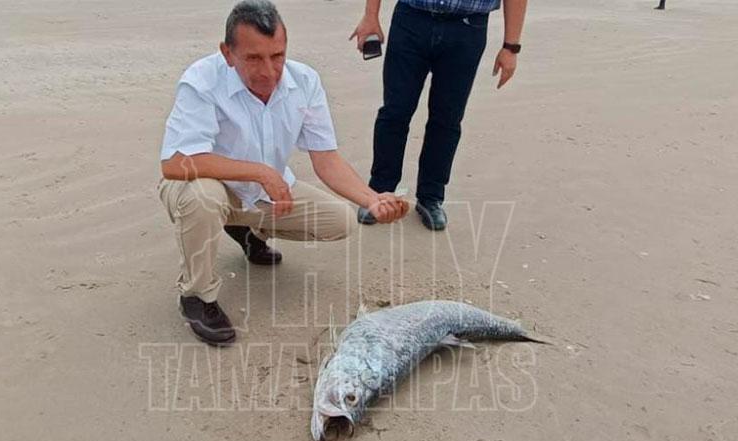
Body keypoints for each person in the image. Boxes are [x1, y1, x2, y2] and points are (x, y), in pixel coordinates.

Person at [158, 0, 409, 345]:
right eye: (253, 58)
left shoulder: (304, 81)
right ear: (227, 53)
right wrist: (260, 172)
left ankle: (248, 232)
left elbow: (327, 160)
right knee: (203, 198)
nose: (269, 71)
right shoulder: (201, 81)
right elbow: (175, 164)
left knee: (342, 221)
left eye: (277, 56)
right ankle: (196, 296)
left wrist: (372, 199)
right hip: (204, 188)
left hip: (264, 194)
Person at [351, 0, 528, 231]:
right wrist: (370, 15)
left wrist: (511, 47)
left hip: (467, 29)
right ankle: (380, 191)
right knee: (395, 111)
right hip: (412, 19)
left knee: (447, 119)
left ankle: (431, 198)